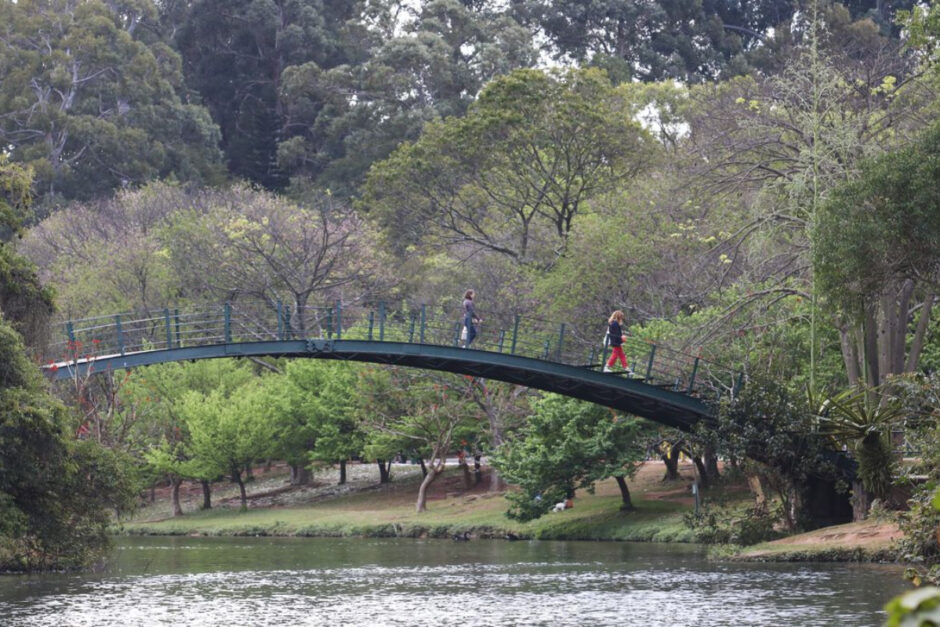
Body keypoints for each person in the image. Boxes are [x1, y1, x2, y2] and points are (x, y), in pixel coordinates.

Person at [603, 310, 633, 374]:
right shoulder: (615, 324)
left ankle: (626, 368)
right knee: (615, 355)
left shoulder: (613, 323)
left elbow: (616, 334)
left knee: (622, 355)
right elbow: (617, 334)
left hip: (616, 342)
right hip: (616, 342)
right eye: (621, 317)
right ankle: (606, 367)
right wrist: (622, 339)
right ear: (619, 317)